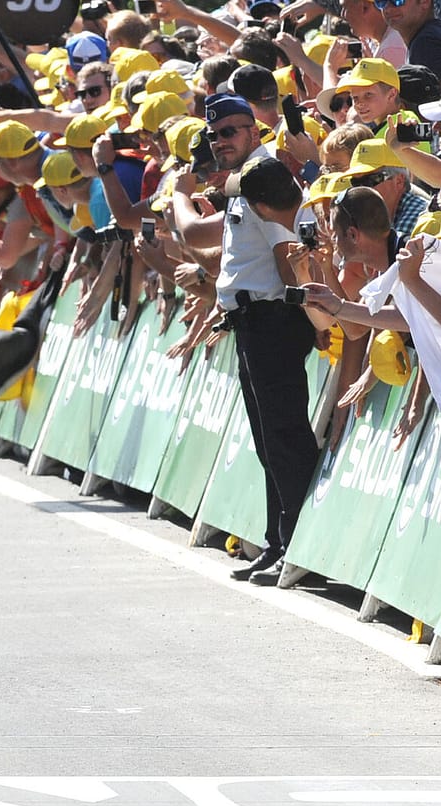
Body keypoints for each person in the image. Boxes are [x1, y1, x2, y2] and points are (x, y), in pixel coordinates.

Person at [171, 101, 318, 584]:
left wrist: (308, 317)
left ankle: (296, 546)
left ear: (254, 131)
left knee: (284, 438)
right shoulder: (243, 182)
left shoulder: (263, 175)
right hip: (252, 320)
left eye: (231, 131)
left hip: (274, 319)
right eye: (214, 135)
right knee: (268, 440)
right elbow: (204, 238)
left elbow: (286, 252)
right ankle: (280, 541)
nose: (221, 142)